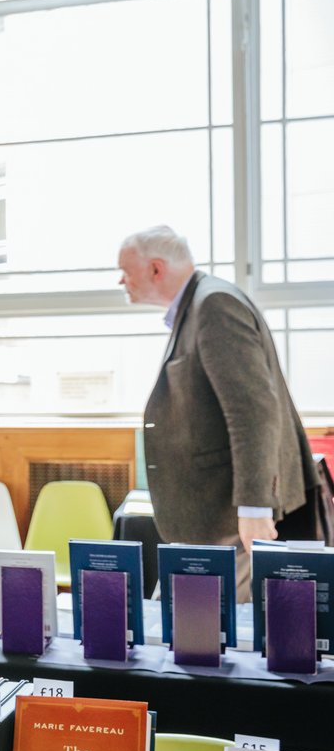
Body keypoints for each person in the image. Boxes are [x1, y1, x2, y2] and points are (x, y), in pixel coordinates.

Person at [117, 225, 318, 601]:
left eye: (125, 271)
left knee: (206, 641)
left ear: (156, 269)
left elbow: (253, 412)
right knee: (185, 634)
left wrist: (255, 508)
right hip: (213, 517)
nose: (121, 280)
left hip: (230, 520)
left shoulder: (213, 305)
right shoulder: (199, 304)